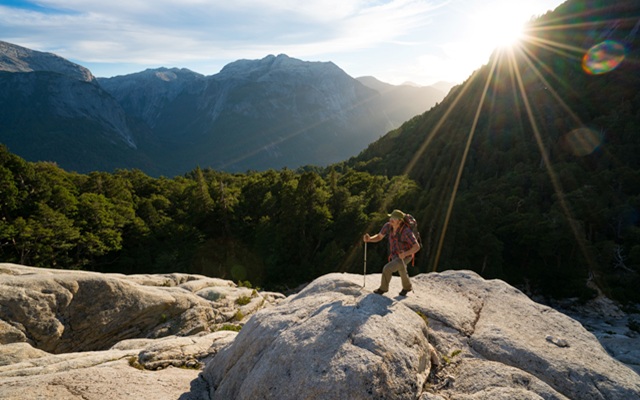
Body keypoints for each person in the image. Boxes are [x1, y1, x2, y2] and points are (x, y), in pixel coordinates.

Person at [363, 209, 420, 296]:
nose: (391, 220)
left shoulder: (406, 231)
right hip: (395, 254)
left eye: (394, 218)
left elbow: (416, 247)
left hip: (406, 256)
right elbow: (379, 237)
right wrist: (370, 239)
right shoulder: (388, 226)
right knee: (402, 270)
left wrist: (405, 254)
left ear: (400, 221)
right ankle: (407, 288)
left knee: (387, 268)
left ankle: (383, 289)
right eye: (391, 217)